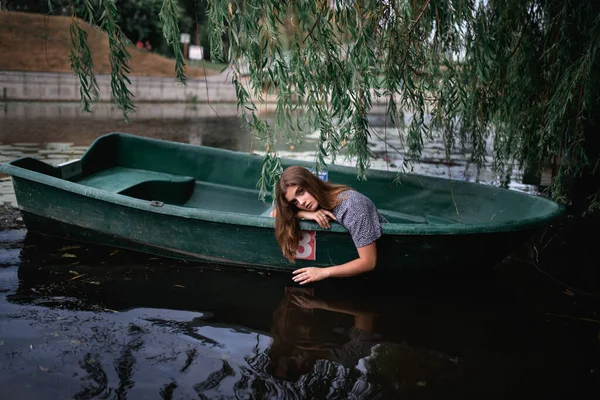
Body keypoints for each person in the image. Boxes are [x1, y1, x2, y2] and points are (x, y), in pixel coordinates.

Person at [272, 166, 386, 285]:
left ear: (311, 183)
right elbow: (276, 213)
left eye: (301, 192)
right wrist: (305, 214)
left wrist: (323, 272)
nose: (301, 202)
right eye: (294, 202)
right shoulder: (315, 205)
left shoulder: (352, 206)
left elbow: (368, 262)